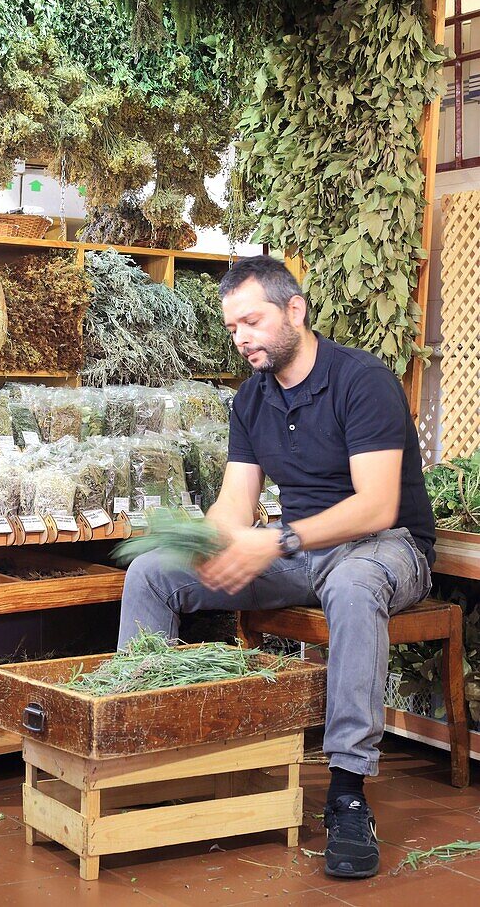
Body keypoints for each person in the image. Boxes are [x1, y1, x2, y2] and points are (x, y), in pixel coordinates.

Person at [118, 256, 434, 881]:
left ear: (295, 311)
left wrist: (277, 540)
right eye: (233, 327)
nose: (242, 338)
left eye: (252, 321)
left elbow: (376, 505)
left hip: (386, 547)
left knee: (350, 584)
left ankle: (347, 793)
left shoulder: (362, 380)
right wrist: (188, 538)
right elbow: (235, 507)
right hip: (297, 552)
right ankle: (142, 748)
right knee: (153, 573)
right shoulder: (251, 399)